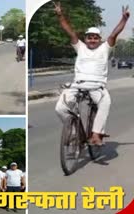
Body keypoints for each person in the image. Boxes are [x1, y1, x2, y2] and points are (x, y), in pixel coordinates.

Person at [54, 2, 130, 145]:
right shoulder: (80, 47)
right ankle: (75, 132)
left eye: (95, 37)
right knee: (60, 108)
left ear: (100, 39)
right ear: (85, 39)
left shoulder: (105, 48)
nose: (92, 40)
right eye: (90, 37)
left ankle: (96, 134)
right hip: (77, 86)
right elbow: (69, 31)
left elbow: (114, 33)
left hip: (97, 87)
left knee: (105, 102)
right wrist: (60, 15)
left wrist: (124, 19)